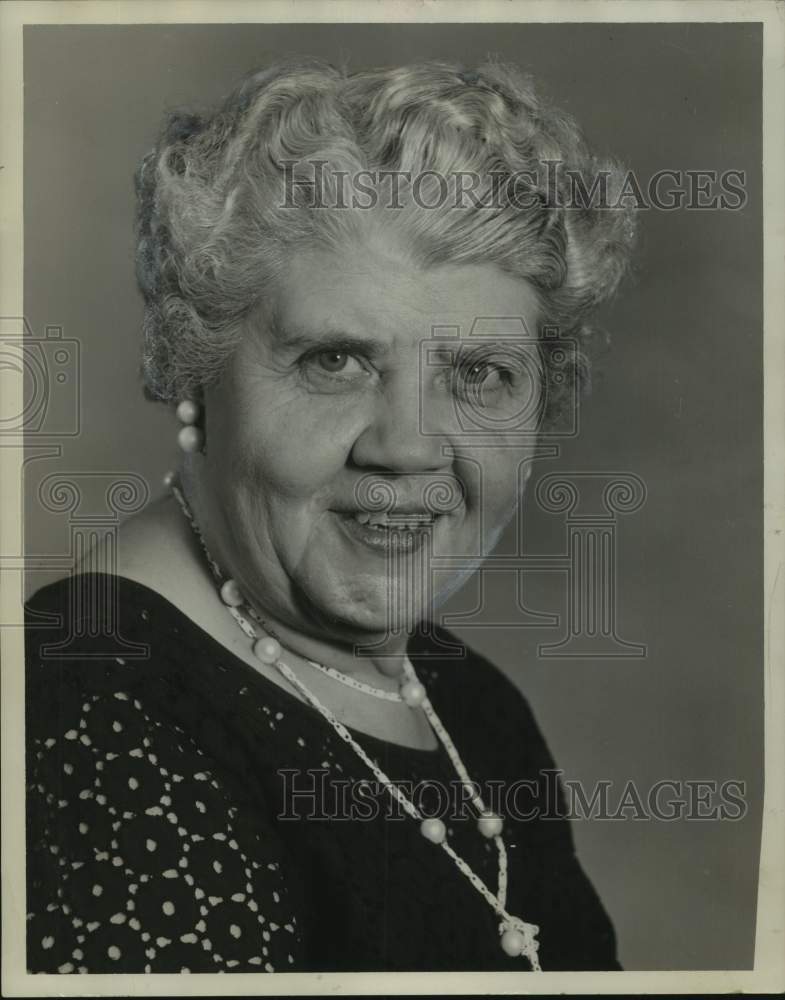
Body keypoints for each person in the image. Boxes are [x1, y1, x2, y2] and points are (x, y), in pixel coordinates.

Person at [25, 58, 636, 974]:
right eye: (335, 362)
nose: (408, 447)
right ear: (196, 368)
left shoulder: (465, 701)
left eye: (478, 376)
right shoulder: (90, 725)